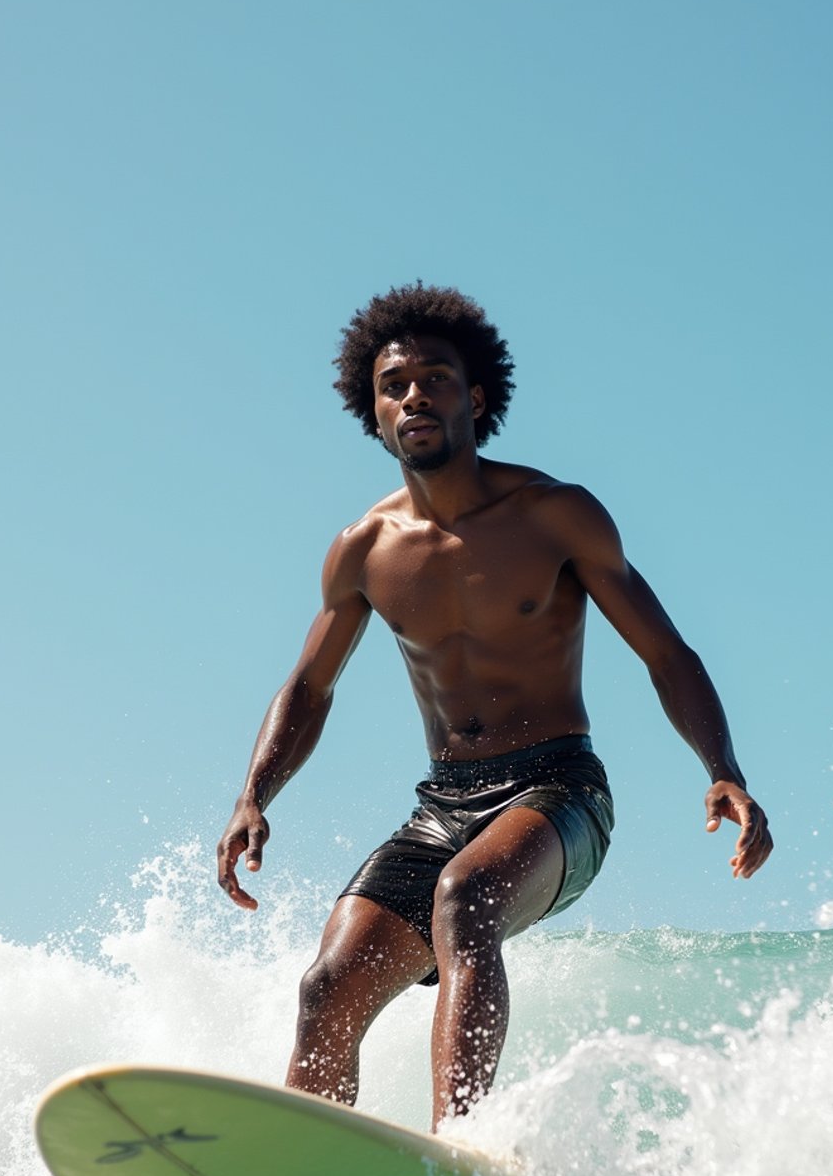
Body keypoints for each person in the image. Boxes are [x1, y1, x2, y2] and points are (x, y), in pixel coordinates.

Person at [217, 283, 772, 1130]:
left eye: (434, 379)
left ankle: (462, 1153)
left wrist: (722, 771)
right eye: (393, 385)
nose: (413, 396)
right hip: (443, 804)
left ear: (474, 397)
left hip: (560, 793)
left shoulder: (555, 515)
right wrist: (256, 794)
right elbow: (309, 687)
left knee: (463, 900)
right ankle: (304, 1173)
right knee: (327, 986)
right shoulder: (363, 552)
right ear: (372, 413)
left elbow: (667, 654)